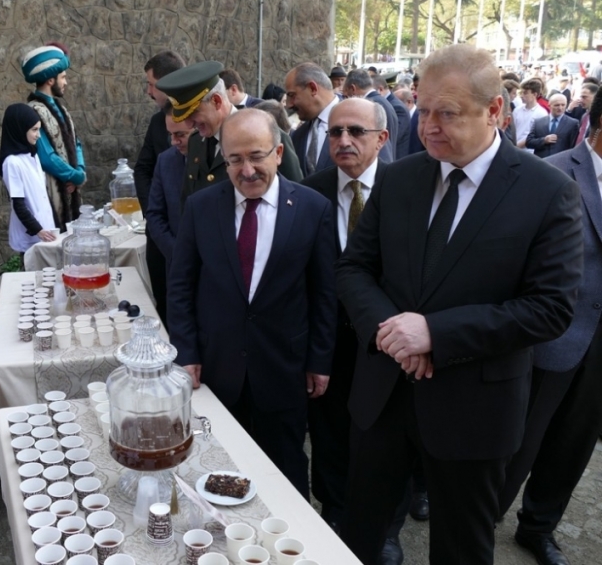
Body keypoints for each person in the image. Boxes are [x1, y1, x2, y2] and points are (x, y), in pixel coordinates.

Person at [336, 44, 583, 565]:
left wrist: (436, 335)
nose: (428, 127)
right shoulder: (400, 176)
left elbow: (550, 308)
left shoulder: (548, 192)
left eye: (446, 113)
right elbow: (354, 268)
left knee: (462, 550)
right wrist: (394, 334)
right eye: (422, 110)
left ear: (495, 110)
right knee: (357, 534)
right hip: (383, 397)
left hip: (475, 410)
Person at [167, 109, 337, 498]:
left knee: (286, 465)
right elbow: (181, 285)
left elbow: (324, 293)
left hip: (284, 367)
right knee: (218, 465)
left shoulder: (312, 209)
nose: (247, 170)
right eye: (235, 159)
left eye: (256, 156)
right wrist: (187, 352)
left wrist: (319, 361)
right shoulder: (201, 206)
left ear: (278, 152)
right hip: (217, 365)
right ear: (223, 159)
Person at [498, 88, 602, 565]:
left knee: (573, 445)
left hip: (598, 351)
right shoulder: (552, 173)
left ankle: (538, 528)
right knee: (518, 443)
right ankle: (480, 520)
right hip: (551, 338)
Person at [299, 98, 389, 530]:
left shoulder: (404, 187)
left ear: (382, 139)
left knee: (385, 439)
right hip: (328, 342)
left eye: (356, 132)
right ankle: (333, 513)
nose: (344, 141)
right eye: (335, 132)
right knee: (330, 433)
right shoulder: (309, 192)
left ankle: (384, 528)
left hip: (387, 344)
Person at [155, 60, 303, 202]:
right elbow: (188, 203)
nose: (188, 124)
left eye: (193, 113)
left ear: (216, 101)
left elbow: (294, 199)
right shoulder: (196, 142)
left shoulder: (266, 135)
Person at [134, 50, 186, 326]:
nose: (148, 91)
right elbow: (142, 168)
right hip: (162, 237)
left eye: (151, 84)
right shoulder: (157, 122)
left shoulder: (200, 121)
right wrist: (153, 209)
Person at [21, 44, 84, 231]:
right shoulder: (33, 111)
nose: (66, 82)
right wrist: (73, 175)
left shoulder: (61, 109)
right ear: (50, 80)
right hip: (52, 188)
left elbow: (76, 142)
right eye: (63, 77)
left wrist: (80, 171)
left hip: (71, 187)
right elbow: (46, 155)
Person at [0, 103, 57, 253]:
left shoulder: (33, 156)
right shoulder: (12, 163)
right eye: (34, 130)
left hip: (45, 231)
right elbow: (19, 204)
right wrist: (38, 229)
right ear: (19, 129)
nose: (38, 135)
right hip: (31, 236)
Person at [146, 105, 193, 274]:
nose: (174, 141)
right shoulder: (165, 161)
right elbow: (155, 214)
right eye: (170, 135)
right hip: (176, 267)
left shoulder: (219, 160)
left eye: (180, 135)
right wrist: (177, 254)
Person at [284, 63, 340, 175]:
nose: (289, 105)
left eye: (292, 95)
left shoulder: (360, 123)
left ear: (312, 88)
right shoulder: (297, 135)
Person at [343, 69, 399, 161]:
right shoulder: (383, 101)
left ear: (352, 89)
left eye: (346, 96)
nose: (346, 101)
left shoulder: (369, 106)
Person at [525, 93, 579, 158]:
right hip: (541, 162)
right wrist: (544, 140)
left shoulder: (572, 123)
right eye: (557, 105)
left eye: (563, 105)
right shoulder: (538, 122)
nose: (560, 108)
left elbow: (573, 146)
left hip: (560, 163)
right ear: (549, 105)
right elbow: (529, 142)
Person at [373, 74, 410, 158]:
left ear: (380, 89)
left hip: (396, 158)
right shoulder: (391, 103)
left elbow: (394, 136)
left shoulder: (397, 107)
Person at [514, 79, 549, 150]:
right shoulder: (517, 110)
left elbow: (538, 136)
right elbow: (512, 129)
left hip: (529, 151)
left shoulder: (542, 113)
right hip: (514, 148)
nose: (522, 96)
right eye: (522, 93)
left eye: (525, 93)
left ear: (535, 94)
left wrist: (518, 146)